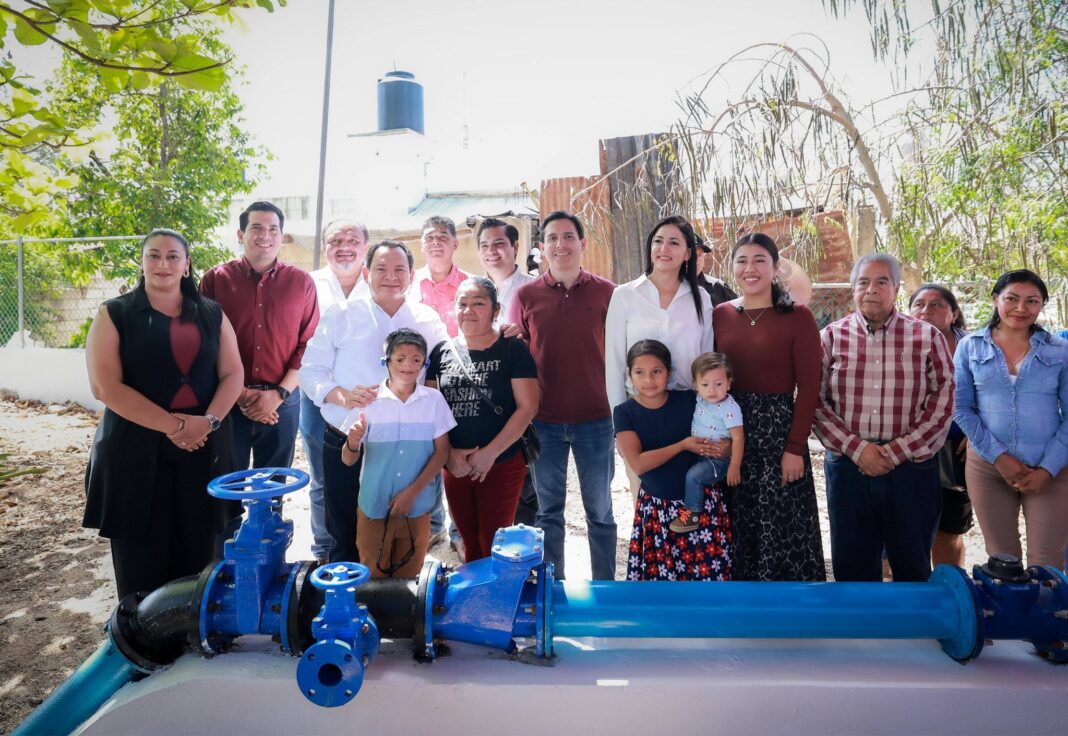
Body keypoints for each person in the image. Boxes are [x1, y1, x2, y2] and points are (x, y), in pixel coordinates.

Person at [84, 229, 244, 599]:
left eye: (173, 256)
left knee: (199, 552)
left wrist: (209, 422)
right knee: (141, 555)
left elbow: (233, 374)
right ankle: (142, 638)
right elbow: (105, 387)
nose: (163, 264)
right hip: (135, 452)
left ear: (187, 265)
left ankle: (193, 635)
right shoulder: (115, 313)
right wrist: (175, 426)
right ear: (141, 264)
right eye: (153, 256)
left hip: (204, 447)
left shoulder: (212, 313)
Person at [299, 240, 448, 563]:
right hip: (347, 436)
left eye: (399, 269)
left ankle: (394, 602)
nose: (390, 276)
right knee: (344, 527)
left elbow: (446, 366)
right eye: (381, 268)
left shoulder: (427, 318)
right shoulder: (342, 315)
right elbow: (310, 371)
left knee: (399, 527)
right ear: (367, 273)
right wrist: (343, 395)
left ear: (411, 275)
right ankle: (344, 598)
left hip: (405, 444)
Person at [814, 253, 954, 583]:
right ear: (853, 288)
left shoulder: (926, 337)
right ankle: (859, 634)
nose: (871, 290)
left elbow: (943, 403)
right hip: (849, 467)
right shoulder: (831, 337)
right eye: (863, 282)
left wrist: (892, 453)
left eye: (881, 282)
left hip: (911, 469)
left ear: (896, 288)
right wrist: (858, 450)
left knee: (912, 564)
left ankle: (911, 634)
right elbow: (815, 403)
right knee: (852, 565)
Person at [508, 210, 617, 580]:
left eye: (568, 236)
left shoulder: (608, 293)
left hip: (597, 420)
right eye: (552, 238)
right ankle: (553, 589)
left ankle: (605, 588)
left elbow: (621, 351)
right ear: (542, 248)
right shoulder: (525, 296)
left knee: (600, 511)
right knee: (548, 512)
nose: (561, 244)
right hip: (544, 422)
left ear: (582, 243)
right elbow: (517, 352)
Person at [713, 233, 825, 581]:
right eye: (742, 260)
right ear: (732, 268)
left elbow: (809, 387)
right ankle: (740, 616)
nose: (750, 268)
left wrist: (795, 447)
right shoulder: (720, 314)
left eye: (760, 260)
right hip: (730, 429)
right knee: (736, 520)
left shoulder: (798, 316)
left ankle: (790, 618)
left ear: (775, 268)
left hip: (778, 432)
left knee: (782, 525)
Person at [954, 269, 1068, 568]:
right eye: (1012, 298)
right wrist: (999, 457)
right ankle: (1008, 616)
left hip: (1050, 470)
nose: (1021, 308)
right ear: (995, 299)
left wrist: (1047, 469)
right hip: (988, 469)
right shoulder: (970, 346)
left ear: (1042, 305)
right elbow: (961, 408)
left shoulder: (1061, 351)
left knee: (1048, 563)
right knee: (1002, 559)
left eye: (1032, 301)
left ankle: (1047, 616)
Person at [426, 278, 540, 561]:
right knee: (468, 540)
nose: (469, 310)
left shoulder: (513, 349)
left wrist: (490, 453)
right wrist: (448, 455)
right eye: (462, 304)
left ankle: (499, 602)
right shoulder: (440, 352)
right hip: (455, 465)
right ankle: (476, 601)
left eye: (478, 303)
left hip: (501, 462)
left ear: (495, 309)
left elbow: (528, 406)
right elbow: (429, 410)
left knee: (495, 542)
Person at [200, 201, 318, 470]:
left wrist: (278, 395)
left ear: (281, 235)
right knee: (229, 487)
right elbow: (205, 342)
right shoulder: (215, 280)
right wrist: (239, 393)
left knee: (273, 487)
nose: (265, 236)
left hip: (283, 403)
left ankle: (270, 514)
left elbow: (308, 345)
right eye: (256, 228)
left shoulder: (302, 282)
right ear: (240, 235)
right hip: (227, 402)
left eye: (273, 229)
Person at [605, 216, 715, 502]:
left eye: (674, 242)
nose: (664, 248)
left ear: (688, 253)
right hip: (641, 414)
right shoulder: (625, 295)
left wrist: (710, 417)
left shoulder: (700, 298)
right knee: (646, 501)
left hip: (689, 414)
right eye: (658, 241)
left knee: (691, 503)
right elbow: (615, 362)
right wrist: (622, 428)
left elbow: (706, 361)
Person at [339, 329, 454, 577]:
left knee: (410, 578)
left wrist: (411, 493)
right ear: (386, 361)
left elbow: (442, 453)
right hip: (374, 506)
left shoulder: (434, 401)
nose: (408, 365)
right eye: (400, 358)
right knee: (372, 576)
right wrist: (353, 442)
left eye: (416, 359)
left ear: (425, 363)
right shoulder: (369, 403)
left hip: (417, 508)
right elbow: (348, 460)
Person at [614, 340, 732, 581]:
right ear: (630, 375)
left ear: (669, 372)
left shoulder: (690, 400)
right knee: (661, 586)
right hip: (657, 511)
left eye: (656, 371)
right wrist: (683, 445)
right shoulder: (624, 412)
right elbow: (638, 463)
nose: (648, 380)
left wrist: (726, 446)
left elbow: (725, 431)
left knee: (707, 579)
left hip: (699, 507)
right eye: (640, 372)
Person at [299, 217, 371, 562]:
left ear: (365, 247)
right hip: (318, 396)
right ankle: (325, 548)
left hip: (368, 399)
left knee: (368, 472)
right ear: (325, 247)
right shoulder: (307, 284)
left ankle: (368, 545)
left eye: (352, 241)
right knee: (323, 474)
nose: (344, 248)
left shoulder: (378, 283)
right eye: (335, 242)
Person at [476, 217, 539, 526]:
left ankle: (528, 559)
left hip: (524, 401)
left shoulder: (534, 288)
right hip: (485, 403)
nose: (492, 252)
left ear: (515, 247)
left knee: (526, 488)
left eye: (499, 244)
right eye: (485, 246)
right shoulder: (472, 292)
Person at [908, 283, 972, 568]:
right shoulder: (895, 342)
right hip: (906, 447)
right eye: (919, 304)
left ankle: (949, 592)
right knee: (904, 527)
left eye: (936, 305)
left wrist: (975, 434)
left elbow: (992, 394)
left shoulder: (973, 346)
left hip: (955, 448)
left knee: (949, 529)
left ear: (954, 314)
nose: (926, 311)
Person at [670, 352, 744, 534]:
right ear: (696, 385)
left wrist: (735, 466)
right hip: (699, 455)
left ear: (729, 383)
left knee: (694, 477)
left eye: (718, 384)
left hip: (718, 460)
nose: (712, 390)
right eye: (705, 384)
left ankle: (693, 514)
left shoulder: (730, 408)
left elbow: (738, 438)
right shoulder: (700, 398)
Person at [411, 215, 472, 338]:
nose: (435, 242)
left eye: (443, 237)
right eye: (429, 237)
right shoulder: (408, 284)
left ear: (455, 244)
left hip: (460, 355)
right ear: (421, 245)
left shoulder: (472, 284)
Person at [694, 235, 738, 307]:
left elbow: (741, 312)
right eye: (690, 254)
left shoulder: (718, 287)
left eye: (699, 255)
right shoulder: (671, 289)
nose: (695, 260)